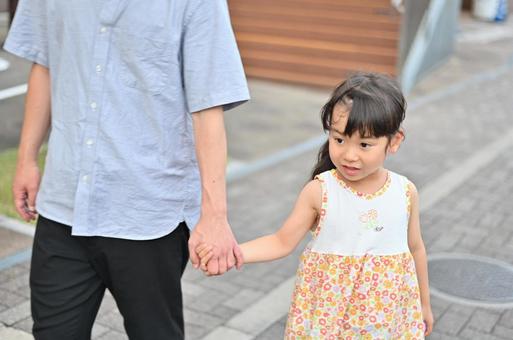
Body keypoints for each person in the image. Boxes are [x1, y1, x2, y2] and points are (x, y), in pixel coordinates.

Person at [4, 0, 249, 339]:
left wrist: (215, 216)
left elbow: (208, 106)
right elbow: (44, 64)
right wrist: (27, 159)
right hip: (64, 203)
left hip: (148, 213)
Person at [197, 73, 434, 338]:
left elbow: (416, 249)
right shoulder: (320, 192)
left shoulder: (404, 192)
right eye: (339, 139)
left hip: (386, 322)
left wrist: (423, 304)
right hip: (328, 322)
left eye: (365, 144)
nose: (349, 155)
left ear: (395, 141)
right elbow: (280, 242)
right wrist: (230, 254)